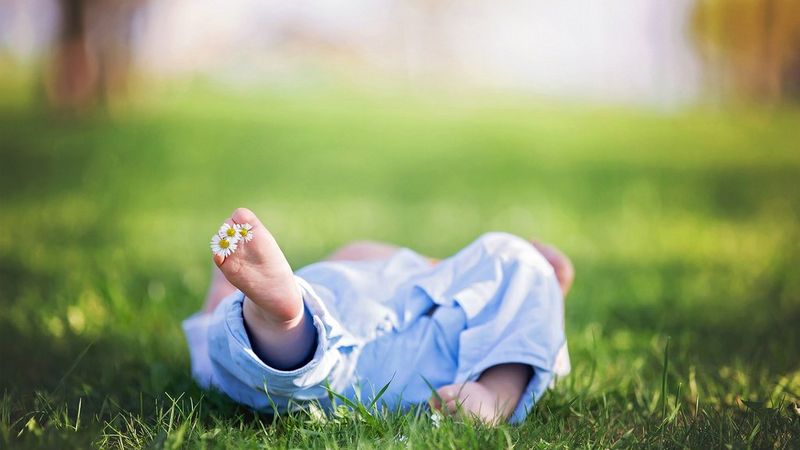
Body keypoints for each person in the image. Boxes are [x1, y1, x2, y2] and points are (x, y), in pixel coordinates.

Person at [184, 208, 573, 425]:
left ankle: (281, 321)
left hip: (366, 315)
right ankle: (283, 321)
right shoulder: (515, 290)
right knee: (302, 334)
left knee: (279, 335)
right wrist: (541, 298)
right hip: (407, 341)